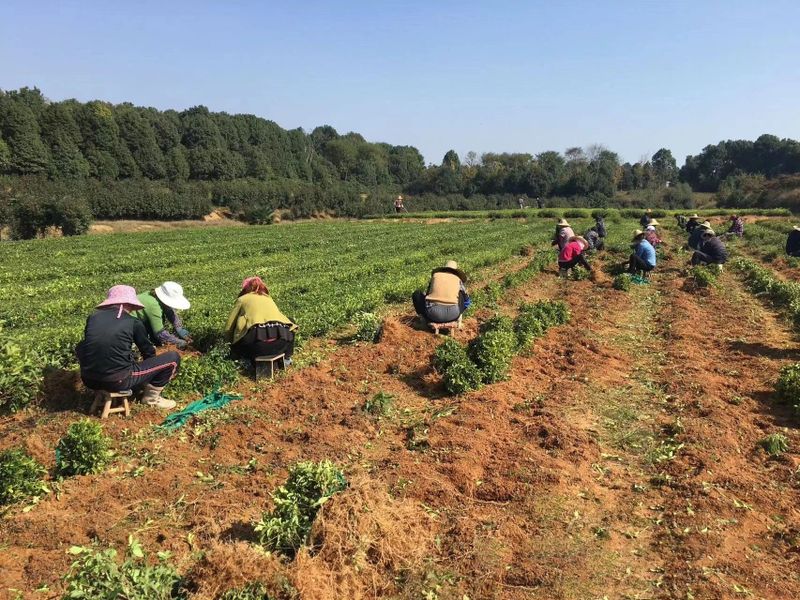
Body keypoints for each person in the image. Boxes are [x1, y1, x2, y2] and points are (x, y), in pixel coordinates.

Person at [76, 285, 180, 409]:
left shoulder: (92, 318)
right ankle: (152, 398)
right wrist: (148, 375)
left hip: (89, 380)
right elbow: (147, 351)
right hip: (118, 380)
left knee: (81, 345)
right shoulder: (133, 322)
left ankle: (100, 380)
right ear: (129, 304)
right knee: (173, 358)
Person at [225, 276, 298, 363]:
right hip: (280, 345)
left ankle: (244, 361)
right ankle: (286, 358)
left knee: (239, 329)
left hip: (255, 347)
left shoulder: (242, 299)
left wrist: (230, 345)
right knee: (290, 321)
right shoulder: (268, 298)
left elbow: (228, 328)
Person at [134, 281, 192, 348]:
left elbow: (170, 312)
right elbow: (160, 333)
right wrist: (178, 341)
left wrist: (179, 328)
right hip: (131, 323)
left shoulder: (153, 295)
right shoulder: (153, 305)